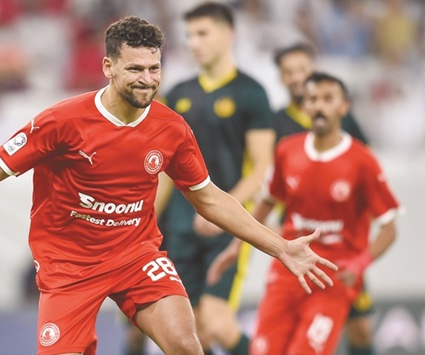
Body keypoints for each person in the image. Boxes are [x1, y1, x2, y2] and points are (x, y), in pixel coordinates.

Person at [0, 16, 336, 355]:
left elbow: (209, 198)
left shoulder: (170, 129)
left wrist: (282, 248)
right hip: (68, 268)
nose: (147, 79)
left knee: (187, 345)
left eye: (154, 68)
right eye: (135, 69)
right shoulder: (61, 122)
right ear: (108, 67)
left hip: (136, 256)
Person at [209, 72, 400, 355]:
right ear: (305, 106)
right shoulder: (288, 151)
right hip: (287, 273)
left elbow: (389, 227)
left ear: (343, 106)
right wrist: (235, 247)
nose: (319, 106)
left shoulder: (362, 161)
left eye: (327, 99)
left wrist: (359, 265)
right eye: (312, 99)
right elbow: (267, 202)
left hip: (332, 278)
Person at [160, 3, 275, 354]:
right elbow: (163, 168)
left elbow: (261, 167)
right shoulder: (177, 93)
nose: (194, 43)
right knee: (188, 331)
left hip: (226, 226)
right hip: (179, 224)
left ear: (228, 35)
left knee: (216, 321)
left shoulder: (252, 93)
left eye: (202, 33)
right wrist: (146, 217)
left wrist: (223, 210)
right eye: (190, 35)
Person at [272, 43, 375, 355]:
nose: (296, 78)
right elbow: (270, 183)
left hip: (341, 244)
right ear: (281, 79)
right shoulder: (275, 124)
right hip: (296, 240)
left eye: (301, 69)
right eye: (288, 72)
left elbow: (366, 177)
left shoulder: (346, 120)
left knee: (361, 329)